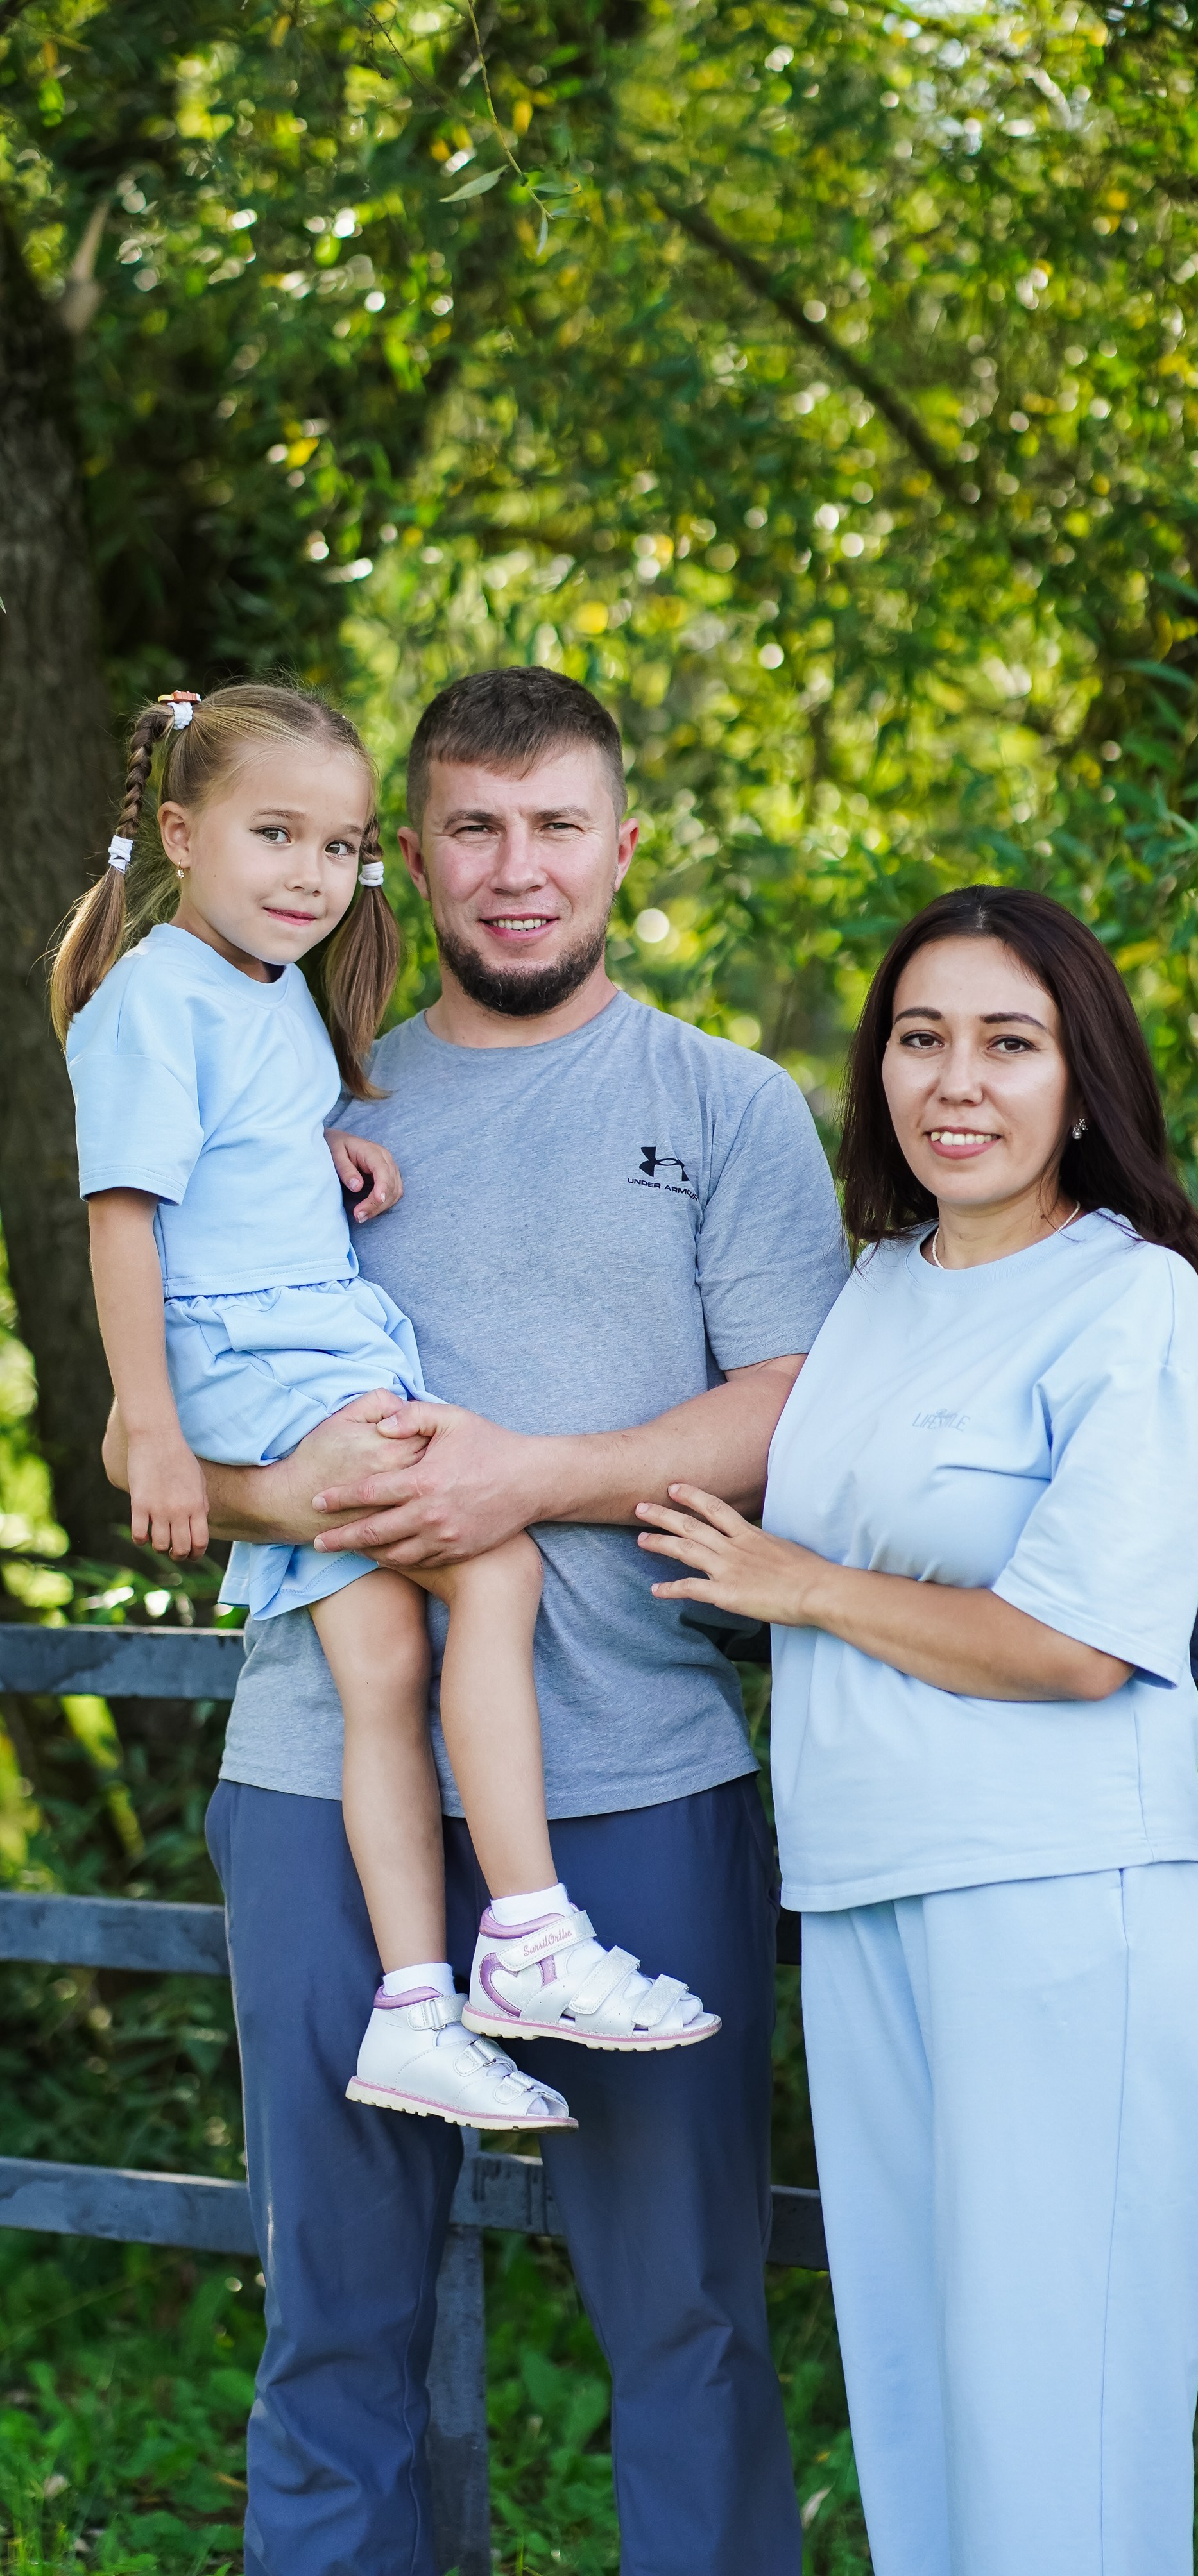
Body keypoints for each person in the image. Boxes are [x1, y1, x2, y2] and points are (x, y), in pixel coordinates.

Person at [101, 666, 845, 2576]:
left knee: (682, 2320)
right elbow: (166, 1413)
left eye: (556, 827)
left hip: (631, 1778)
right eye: (471, 830)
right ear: (402, 857)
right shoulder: (297, 1073)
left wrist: (524, 1479)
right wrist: (307, 1495)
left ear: (620, 845)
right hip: (314, 1771)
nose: (516, 872)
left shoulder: (726, 1103)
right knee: (333, 2321)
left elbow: (782, 1415)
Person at [636, 885, 1198, 2576]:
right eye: (920, 1039)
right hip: (860, 1891)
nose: (954, 1082)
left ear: (1082, 1080)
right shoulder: (871, 1292)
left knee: (1058, 2405)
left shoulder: (1136, 1311)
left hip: (1060, 1906)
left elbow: (1072, 1649)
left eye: (1006, 1041)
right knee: (916, 2401)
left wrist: (801, 1585)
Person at [55, 679, 713, 2139]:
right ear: (179, 831)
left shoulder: (266, 993)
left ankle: (417, 2002)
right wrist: (154, 1426)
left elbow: (236, 1159)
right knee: (495, 1562)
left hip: (300, 1332)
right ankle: (530, 1930)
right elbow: (122, 1222)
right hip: (265, 1360)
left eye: (336, 847)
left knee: (381, 1679)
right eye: (272, 834)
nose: (307, 873)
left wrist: (328, 1162)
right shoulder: (155, 996)